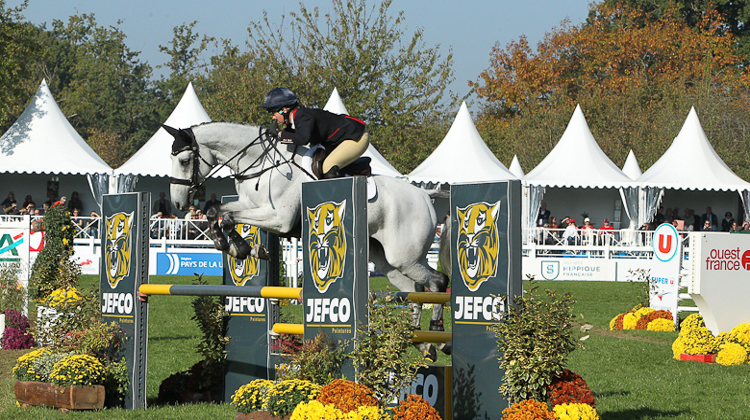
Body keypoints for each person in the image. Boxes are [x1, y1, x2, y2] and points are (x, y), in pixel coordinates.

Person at [263, 87, 369, 179]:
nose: (273, 117)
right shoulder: (295, 119)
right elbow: (292, 135)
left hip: (356, 137)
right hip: (341, 138)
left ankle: (342, 199)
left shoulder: (302, 116)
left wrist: (280, 135)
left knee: (328, 166)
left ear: (284, 110)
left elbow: (303, 139)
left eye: (273, 113)